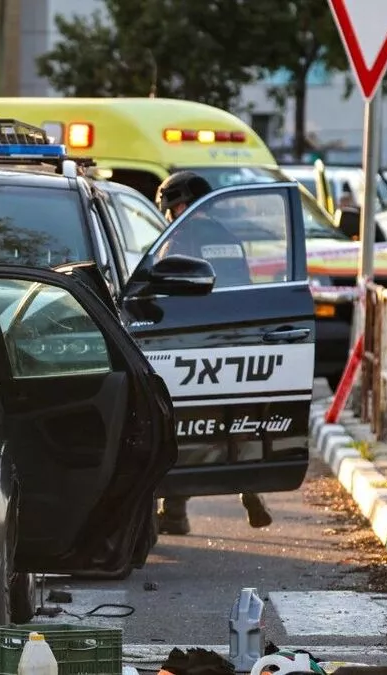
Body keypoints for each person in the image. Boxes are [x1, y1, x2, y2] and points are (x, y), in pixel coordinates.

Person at [152, 171, 273, 536]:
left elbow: (161, 287)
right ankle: (250, 485)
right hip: (232, 334)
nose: (169, 216)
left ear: (182, 205)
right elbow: (244, 284)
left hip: (188, 338)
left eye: (171, 210)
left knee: (178, 425)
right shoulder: (228, 235)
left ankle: (174, 512)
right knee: (235, 422)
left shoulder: (180, 237)